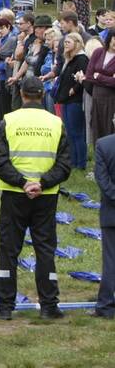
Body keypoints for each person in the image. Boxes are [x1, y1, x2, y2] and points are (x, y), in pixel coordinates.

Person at [0, 75, 71, 320]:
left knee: (8, 249)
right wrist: (42, 183)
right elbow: (64, 164)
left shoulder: (9, 120)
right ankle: (49, 305)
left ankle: (5, 306)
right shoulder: (56, 122)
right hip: (46, 196)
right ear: (42, 94)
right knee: (45, 249)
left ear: (23, 94)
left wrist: (23, 182)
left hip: (15, 194)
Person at [56, 33, 90, 171]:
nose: (66, 44)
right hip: (66, 99)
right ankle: (73, 160)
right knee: (69, 131)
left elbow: (83, 76)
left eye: (69, 42)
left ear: (77, 43)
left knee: (77, 132)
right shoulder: (69, 59)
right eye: (65, 42)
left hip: (75, 100)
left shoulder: (81, 59)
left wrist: (74, 89)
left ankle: (81, 163)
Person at [95, 130, 115, 319]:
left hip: (111, 212)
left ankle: (106, 304)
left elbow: (102, 179)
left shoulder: (103, 144)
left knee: (110, 260)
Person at [84, 30, 115, 147]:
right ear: (110, 38)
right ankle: (99, 158)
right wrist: (109, 78)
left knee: (110, 128)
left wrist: (100, 76)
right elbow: (89, 76)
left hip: (112, 98)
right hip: (97, 97)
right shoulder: (98, 52)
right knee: (97, 127)